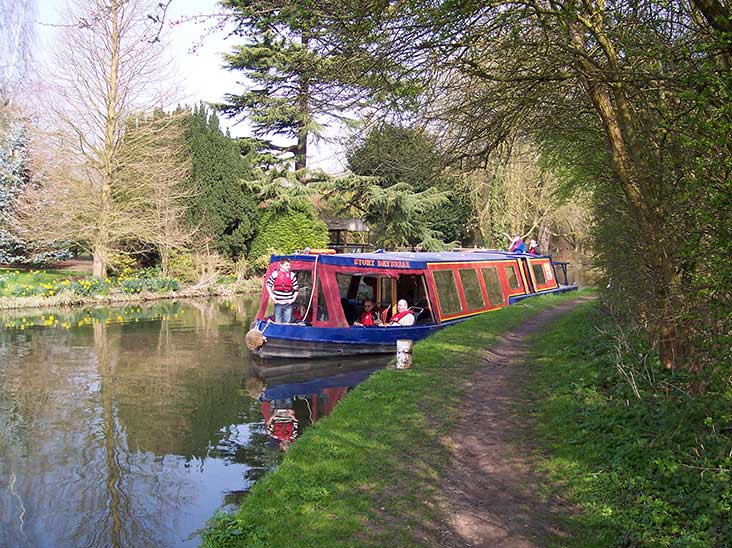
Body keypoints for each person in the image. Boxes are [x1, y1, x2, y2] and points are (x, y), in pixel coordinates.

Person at [266, 258, 299, 323]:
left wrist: (293, 299)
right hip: (278, 302)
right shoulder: (275, 274)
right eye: (287, 265)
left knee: (287, 321)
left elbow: (296, 289)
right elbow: (268, 285)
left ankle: (289, 328)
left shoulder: (292, 275)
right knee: (278, 321)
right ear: (281, 265)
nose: (289, 267)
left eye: (289, 265)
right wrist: (272, 297)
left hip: (288, 303)